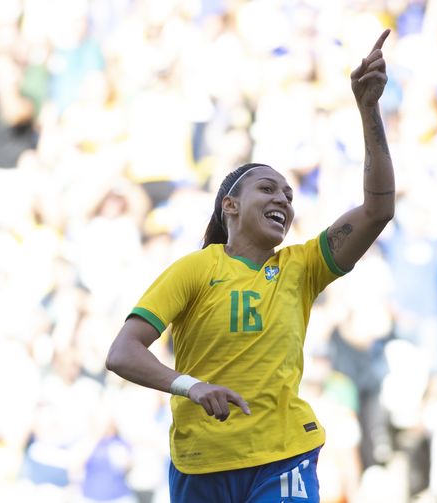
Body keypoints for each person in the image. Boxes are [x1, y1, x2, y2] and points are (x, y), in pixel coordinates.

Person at [105, 28, 394, 502]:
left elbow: (377, 210)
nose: (282, 196)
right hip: (201, 462)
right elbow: (123, 353)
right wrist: (190, 387)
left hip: (284, 454)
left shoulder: (303, 267)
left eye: (288, 193)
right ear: (230, 207)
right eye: (267, 188)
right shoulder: (195, 270)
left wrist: (368, 110)